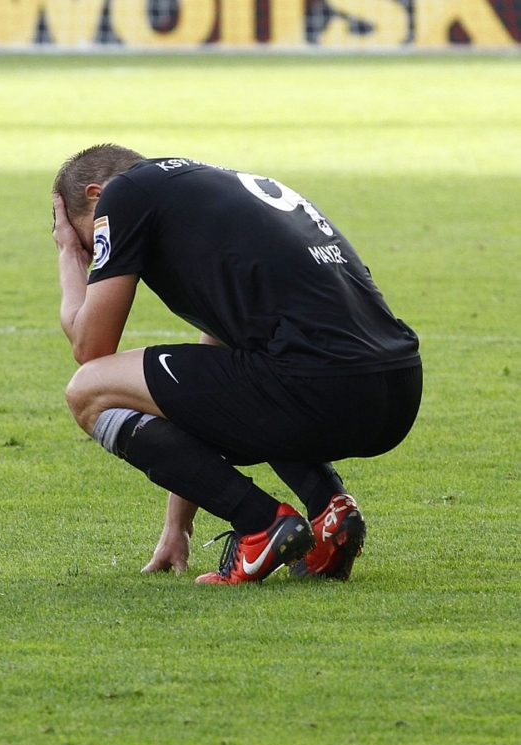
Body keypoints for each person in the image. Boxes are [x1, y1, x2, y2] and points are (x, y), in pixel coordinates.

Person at [52, 144, 422, 585]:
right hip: (396, 390)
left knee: (87, 390)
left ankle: (260, 525)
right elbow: (209, 385)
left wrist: (68, 254)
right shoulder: (214, 192)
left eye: (90, 243)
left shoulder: (124, 193)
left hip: (321, 388)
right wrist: (177, 525)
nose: (96, 257)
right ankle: (330, 510)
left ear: (96, 195)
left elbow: (91, 346)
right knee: (249, 376)